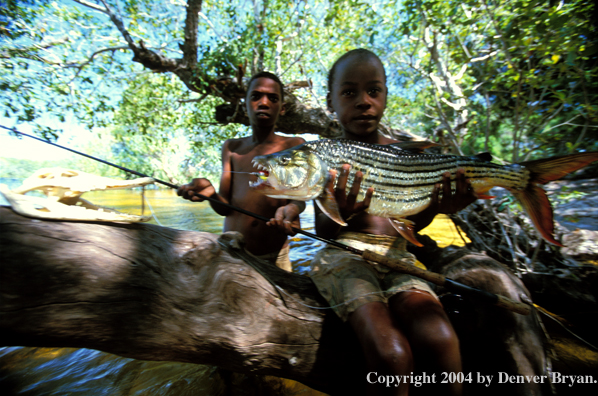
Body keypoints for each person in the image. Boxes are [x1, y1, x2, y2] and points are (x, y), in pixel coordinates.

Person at [310, 49, 477, 395]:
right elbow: (324, 232)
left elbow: (415, 225)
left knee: (441, 339)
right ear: (331, 101)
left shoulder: (409, 153)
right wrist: (349, 212)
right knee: (391, 354)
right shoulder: (324, 156)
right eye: (349, 92)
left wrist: (443, 206)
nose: (363, 102)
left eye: (373, 90)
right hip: (344, 257)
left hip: (399, 257)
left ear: (386, 95)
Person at [177, 71, 306, 272]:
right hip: (232, 254)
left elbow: (299, 199)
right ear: (244, 104)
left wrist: (293, 210)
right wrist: (210, 194)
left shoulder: (295, 145)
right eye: (256, 96)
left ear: (282, 108)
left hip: (275, 258)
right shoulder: (232, 148)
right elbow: (225, 209)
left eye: (273, 98)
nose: (264, 103)